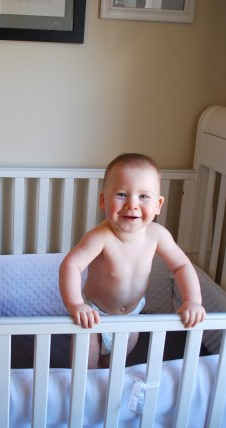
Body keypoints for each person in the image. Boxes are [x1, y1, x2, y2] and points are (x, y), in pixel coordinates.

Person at [59, 153, 206, 369]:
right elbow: (71, 265)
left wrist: (192, 300)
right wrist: (76, 305)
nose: (132, 204)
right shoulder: (100, 237)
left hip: (132, 316)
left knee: (113, 369)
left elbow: (181, 265)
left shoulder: (158, 235)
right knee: (85, 371)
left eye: (144, 196)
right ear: (103, 201)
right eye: (121, 194)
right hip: (93, 317)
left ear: (158, 204)